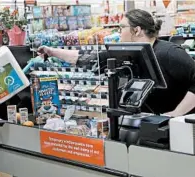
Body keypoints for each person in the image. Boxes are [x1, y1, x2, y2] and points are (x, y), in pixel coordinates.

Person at [38, 9, 195, 117]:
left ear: (137, 30)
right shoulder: (126, 53)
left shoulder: (169, 53)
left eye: (121, 28)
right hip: (147, 123)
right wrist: (51, 51)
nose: (117, 33)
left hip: (177, 129)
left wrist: (176, 114)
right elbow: (87, 59)